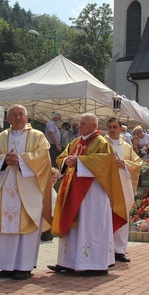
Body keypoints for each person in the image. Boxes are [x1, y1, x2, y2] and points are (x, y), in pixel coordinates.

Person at [49, 113, 126, 275]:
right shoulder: (76, 142)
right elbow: (62, 157)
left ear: (94, 126)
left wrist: (80, 161)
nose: (79, 126)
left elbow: (104, 162)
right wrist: (66, 161)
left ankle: (94, 264)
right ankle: (68, 261)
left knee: (90, 226)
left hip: (93, 194)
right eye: (80, 123)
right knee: (74, 225)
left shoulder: (101, 142)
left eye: (83, 123)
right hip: (73, 190)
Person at [0, 105, 52, 280]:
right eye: (14, 115)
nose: (18, 117)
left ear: (27, 117)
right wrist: (3, 160)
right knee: (3, 224)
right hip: (4, 188)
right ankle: (5, 265)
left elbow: (43, 158)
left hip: (27, 189)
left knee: (25, 225)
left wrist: (21, 160)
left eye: (21, 114)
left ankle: (23, 266)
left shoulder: (38, 136)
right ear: (8, 119)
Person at [105, 117, 142, 262]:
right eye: (110, 127)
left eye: (115, 127)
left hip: (122, 186)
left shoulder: (126, 146)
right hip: (107, 186)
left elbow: (138, 163)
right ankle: (106, 248)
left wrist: (124, 164)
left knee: (122, 215)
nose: (112, 130)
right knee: (106, 216)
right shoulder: (102, 144)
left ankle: (119, 250)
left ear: (120, 128)